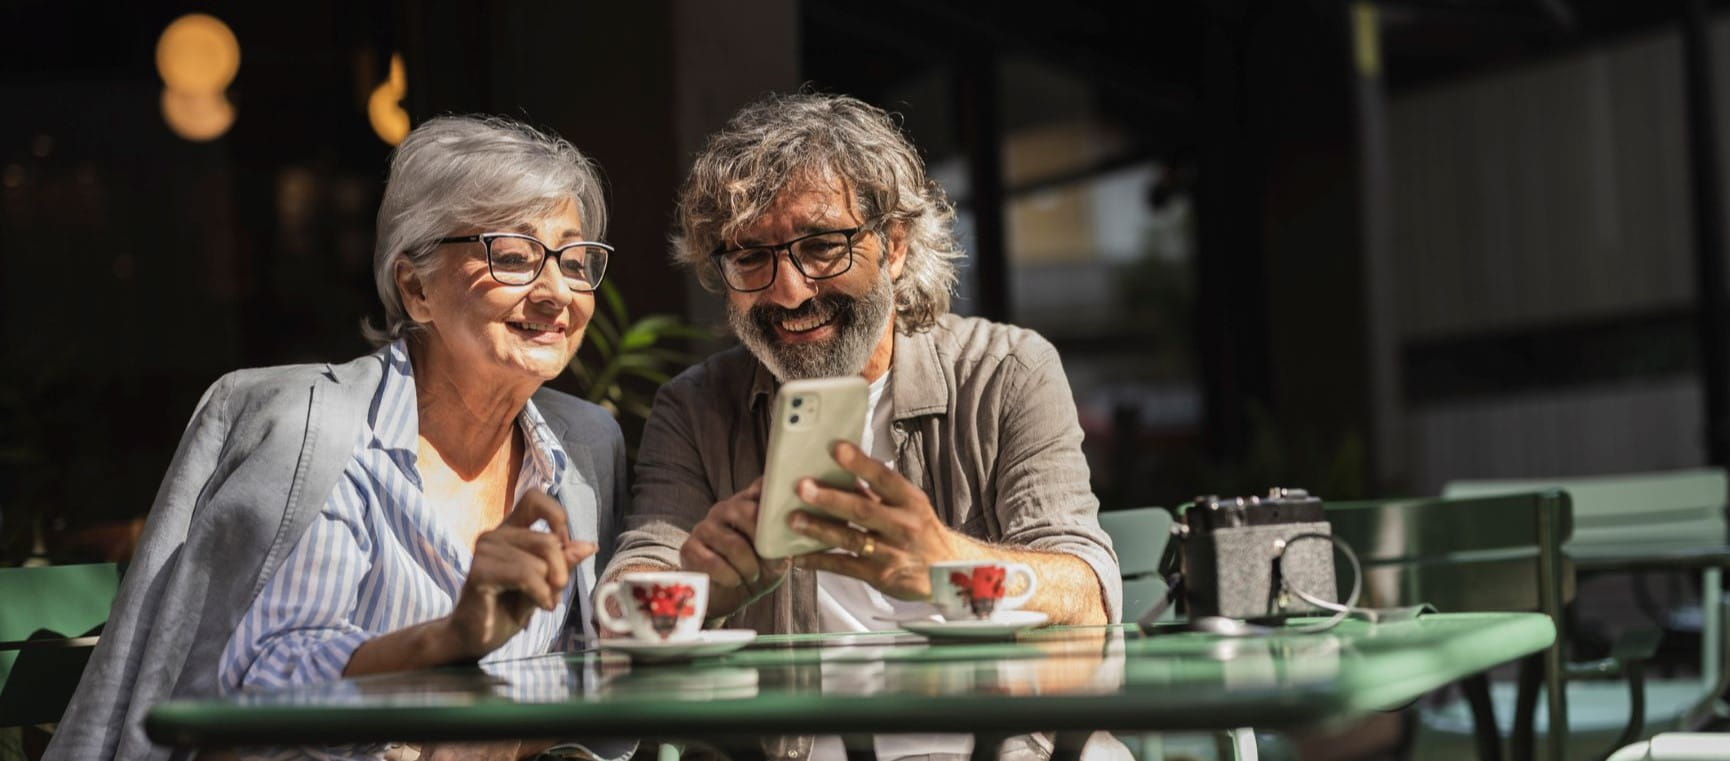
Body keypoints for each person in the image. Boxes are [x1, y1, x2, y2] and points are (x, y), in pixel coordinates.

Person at [48, 115, 630, 761]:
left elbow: (587, 673)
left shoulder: (585, 444)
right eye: (514, 256)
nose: (557, 292)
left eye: (575, 260)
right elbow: (266, 682)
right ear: (416, 288)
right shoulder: (324, 433)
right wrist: (449, 638)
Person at [603, 92, 1121, 761]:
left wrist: (940, 560)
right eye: (750, 258)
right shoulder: (696, 408)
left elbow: (1085, 592)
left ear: (896, 245)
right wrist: (706, 585)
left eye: (821, 245)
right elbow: (623, 597)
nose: (788, 290)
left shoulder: (1007, 371)